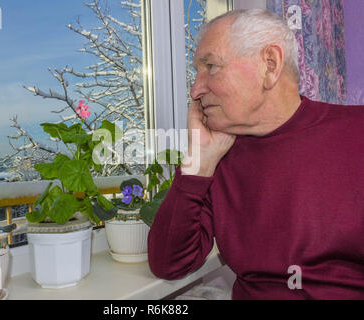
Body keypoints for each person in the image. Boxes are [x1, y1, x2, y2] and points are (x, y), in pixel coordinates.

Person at [147, 9, 364, 299]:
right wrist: (199, 163)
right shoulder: (218, 157)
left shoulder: (355, 133)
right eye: (196, 72)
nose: (196, 89)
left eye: (210, 66)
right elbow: (168, 264)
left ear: (270, 65)